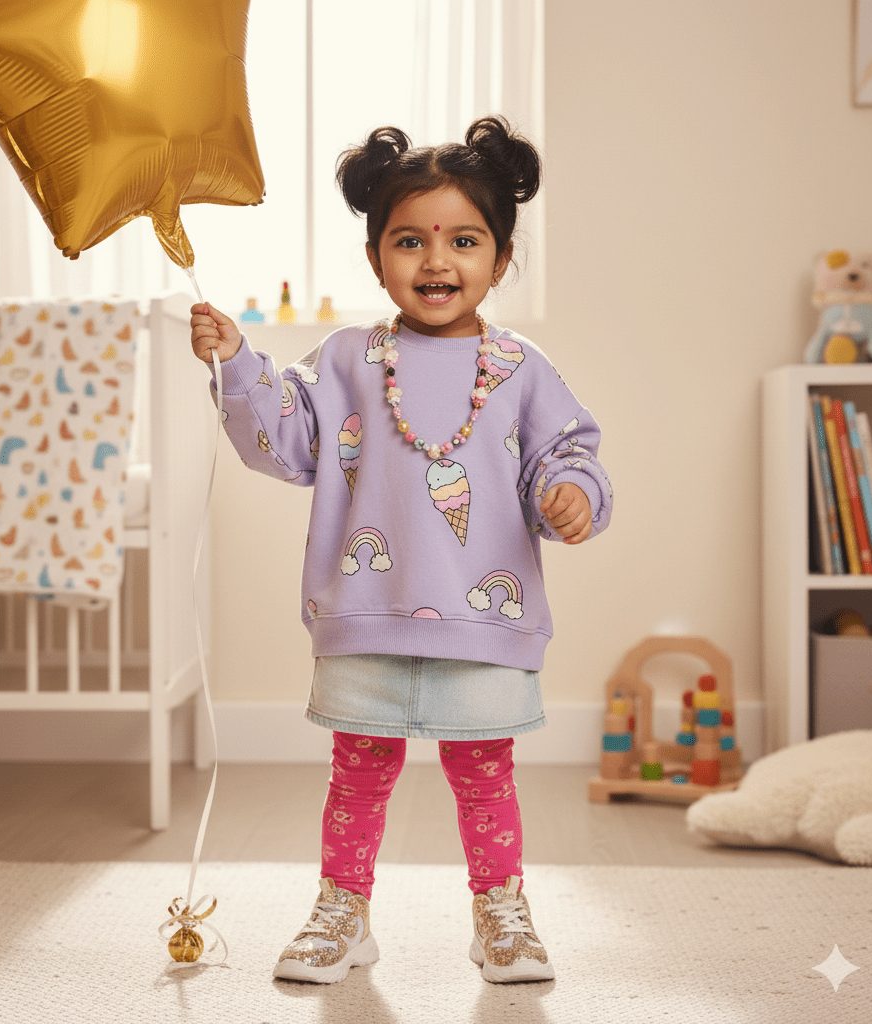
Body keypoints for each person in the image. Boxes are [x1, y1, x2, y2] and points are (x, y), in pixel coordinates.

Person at [190, 115, 613, 985]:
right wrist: (237, 361)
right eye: (410, 240)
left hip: (482, 620)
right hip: (365, 613)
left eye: (464, 240)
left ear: (501, 259)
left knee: (485, 775)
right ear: (377, 257)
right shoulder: (349, 358)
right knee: (357, 775)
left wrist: (572, 493)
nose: (436, 261)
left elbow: (566, 451)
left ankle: (501, 911)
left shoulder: (520, 366)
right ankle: (342, 911)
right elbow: (287, 441)